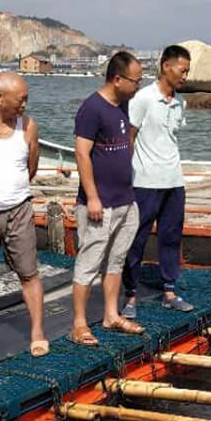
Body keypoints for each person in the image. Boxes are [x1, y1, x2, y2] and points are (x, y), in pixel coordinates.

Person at [70, 51, 145, 344]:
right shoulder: (92, 109)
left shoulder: (123, 105)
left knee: (116, 259)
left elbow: (126, 143)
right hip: (100, 203)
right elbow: (81, 153)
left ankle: (111, 314)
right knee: (89, 261)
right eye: (135, 81)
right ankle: (78, 323)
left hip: (126, 199)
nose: (138, 86)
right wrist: (92, 197)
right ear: (117, 79)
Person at [0, 72, 48, 356]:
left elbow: (31, 167)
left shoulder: (28, 126)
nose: (24, 105)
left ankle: (37, 332)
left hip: (18, 209)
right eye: (20, 100)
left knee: (29, 273)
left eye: (27, 99)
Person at [121, 44, 193, 316]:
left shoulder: (180, 103)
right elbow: (129, 137)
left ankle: (169, 291)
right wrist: (124, 176)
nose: (185, 76)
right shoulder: (143, 99)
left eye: (188, 71)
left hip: (174, 181)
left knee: (171, 237)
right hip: (144, 182)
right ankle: (130, 295)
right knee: (136, 239)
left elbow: (170, 139)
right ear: (166, 66)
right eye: (182, 70)